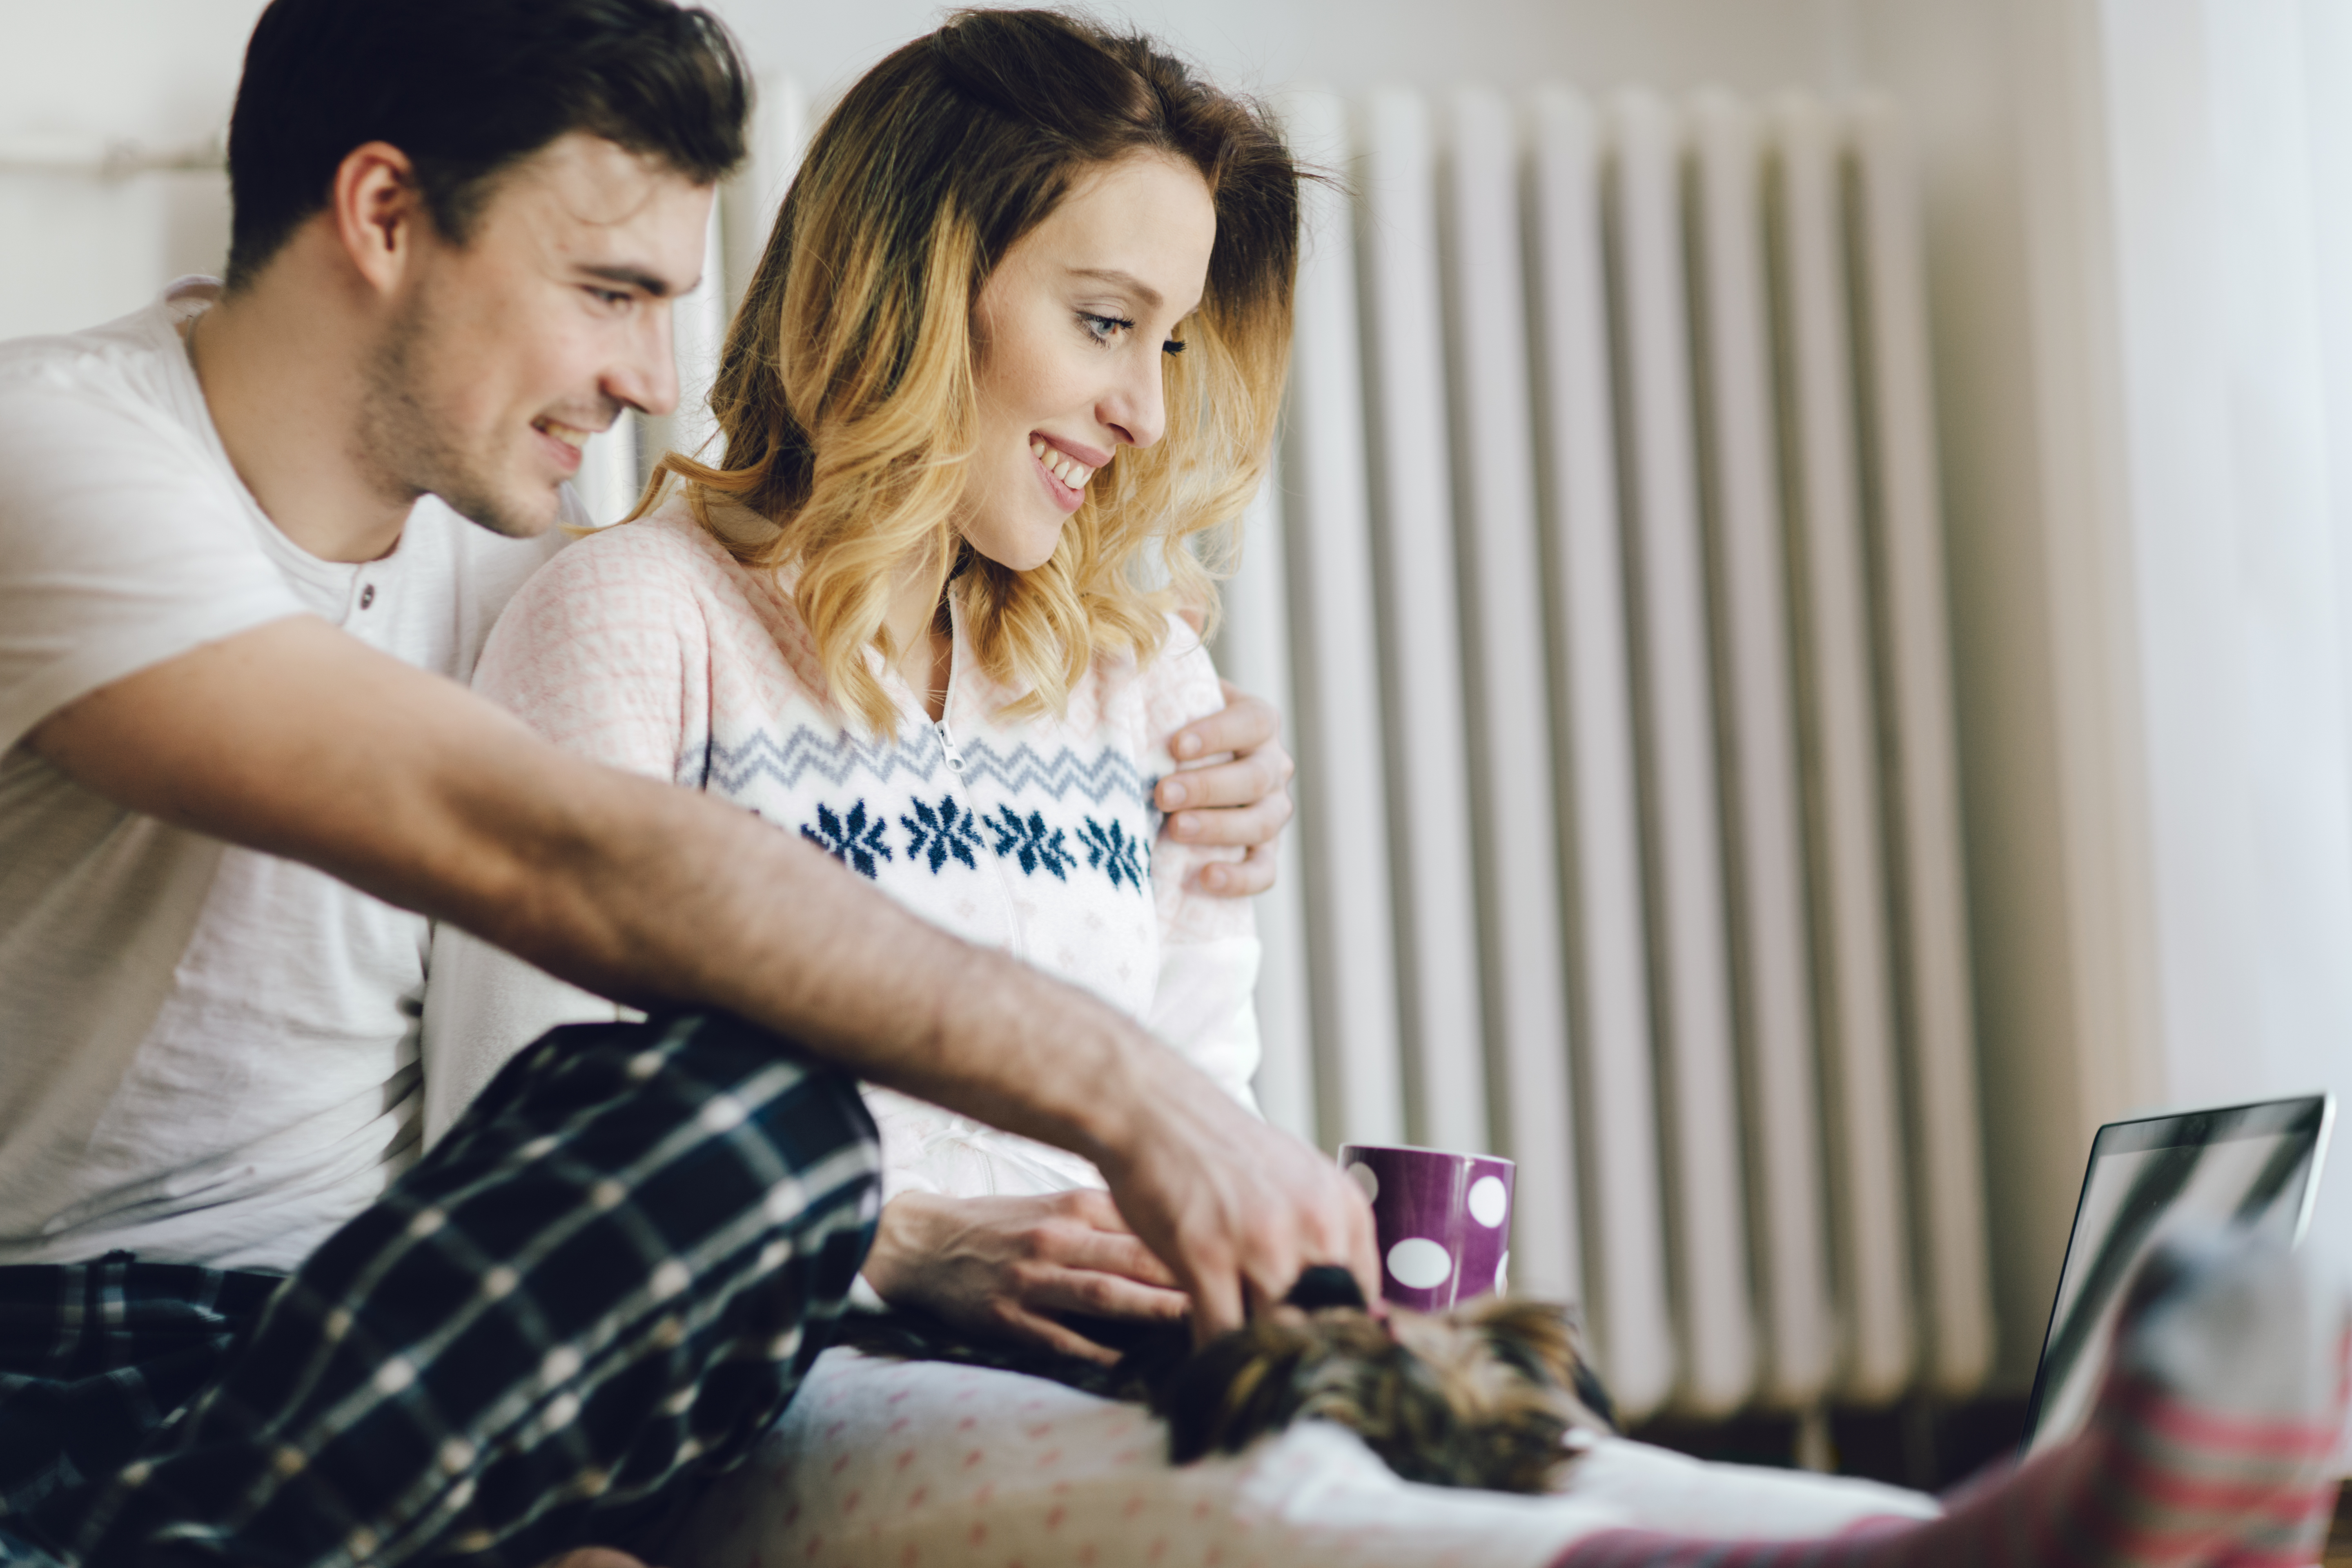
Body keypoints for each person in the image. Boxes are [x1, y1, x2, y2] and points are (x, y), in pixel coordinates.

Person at [419, 13, 2352, 1567]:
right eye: (1106, 325)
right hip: (778, 1393)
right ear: (914, 284)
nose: (1149, 409)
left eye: (1172, 347)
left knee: (1507, 1443)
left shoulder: (1138, 682)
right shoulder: (631, 619)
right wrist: (918, 1247)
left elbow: (1198, 1094)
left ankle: (1956, 1539)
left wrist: (1287, 1260)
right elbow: (521, 1174)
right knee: (1273, 1502)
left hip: (1119, 1359)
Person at [0, 2, 1370, 1565]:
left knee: (742, 1166)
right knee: (760, 1128)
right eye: (607, 292)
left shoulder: (508, 535)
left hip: (398, 1327)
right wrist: (1130, 1104)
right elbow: (563, 857)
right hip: (77, 1346)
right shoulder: (58, 464)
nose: (653, 378)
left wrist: (1159, 734)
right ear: (383, 216)